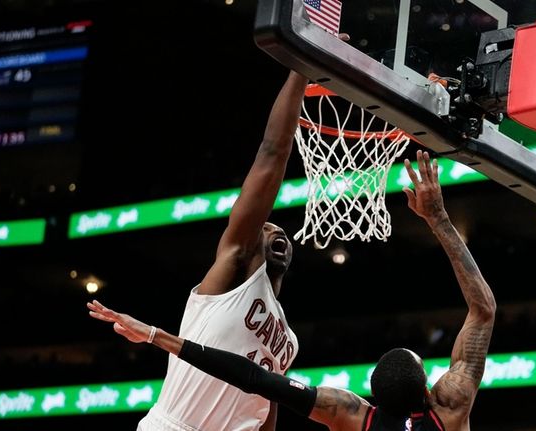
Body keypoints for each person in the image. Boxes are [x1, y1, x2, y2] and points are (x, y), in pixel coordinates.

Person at [89, 150, 497, 431]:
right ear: (429, 390)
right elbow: (483, 310)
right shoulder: (450, 408)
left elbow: (254, 378)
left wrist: (156, 336)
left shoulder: (352, 415)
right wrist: (440, 219)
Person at [125, 68, 309, 431]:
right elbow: (273, 151)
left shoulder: (288, 340)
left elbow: (265, 401)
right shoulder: (234, 268)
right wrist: (302, 69)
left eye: (282, 232)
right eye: (269, 227)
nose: (278, 232)